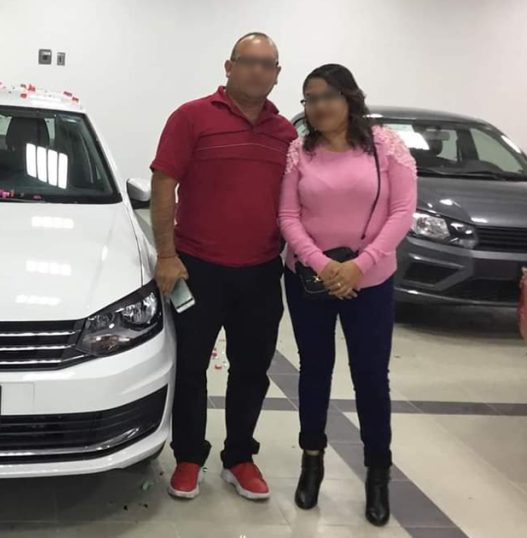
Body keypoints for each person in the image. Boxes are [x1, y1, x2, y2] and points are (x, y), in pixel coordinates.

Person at [150, 32, 297, 501]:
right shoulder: (192, 117)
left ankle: (239, 457)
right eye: (249, 61)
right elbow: (163, 183)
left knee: (252, 369)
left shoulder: (285, 133)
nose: (258, 70)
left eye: (267, 64)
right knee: (191, 368)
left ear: (277, 74)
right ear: (229, 67)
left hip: (261, 272)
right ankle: (189, 457)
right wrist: (166, 255)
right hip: (197, 270)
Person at [278, 64, 416, 525]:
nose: (319, 106)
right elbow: (287, 216)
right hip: (309, 281)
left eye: (327, 96)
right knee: (314, 371)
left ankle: (378, 473)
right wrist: (323, 265)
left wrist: (361, 265)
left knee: (371, 377)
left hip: (370, 282)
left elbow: (402, 211)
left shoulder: (385, 145)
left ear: (349, 97)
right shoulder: (300, 151)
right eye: (310, 98)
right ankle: (311, 461)